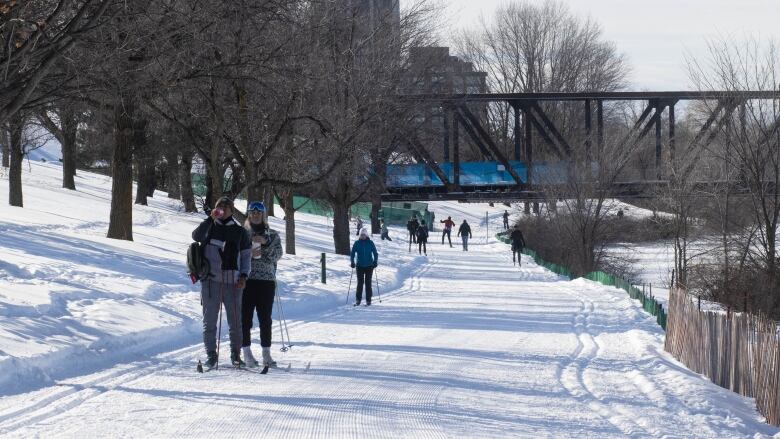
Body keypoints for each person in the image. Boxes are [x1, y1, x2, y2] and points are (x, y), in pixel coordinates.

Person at [192, 196, 252, 369]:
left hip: (233, 283)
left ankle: (235, 354)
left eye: (226, 207)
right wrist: (210, 218)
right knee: (209, 321)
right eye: (219, 206)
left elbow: (247, 257)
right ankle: (211, 355)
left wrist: (243, 276)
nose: (222, 209)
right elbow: (195, 236)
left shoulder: (241, 232)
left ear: (232, 210)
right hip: (210, 281)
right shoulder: (209, 227)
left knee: (235, 321)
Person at [241, 201, 283, 368]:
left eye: (259, 212)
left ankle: (266, 353)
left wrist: (265, 245)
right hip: (246, 280)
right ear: (248, 214)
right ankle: (246, 353)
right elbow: (235, 254)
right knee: (245, 318)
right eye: (252, 211)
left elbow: (278, 255)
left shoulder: (272, 234)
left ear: (264, 214)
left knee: (265, 318)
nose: (255, 214)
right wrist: (248, 252)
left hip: (266, 281)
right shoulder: (243, 233)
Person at [350, 228, 378, 306]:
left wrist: (375, 261)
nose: (362, 236)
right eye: (361, 235)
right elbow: (352, 253)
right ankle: (358, 300)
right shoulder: (357, 243)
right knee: (360, 283)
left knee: (368, 283)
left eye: (364, 235)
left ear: (366, 235)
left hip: (369, 265)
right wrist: (352, 262)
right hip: (359, 266)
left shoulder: (370, 243)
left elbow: (375, 253)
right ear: (359, 235)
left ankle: (368, 300)